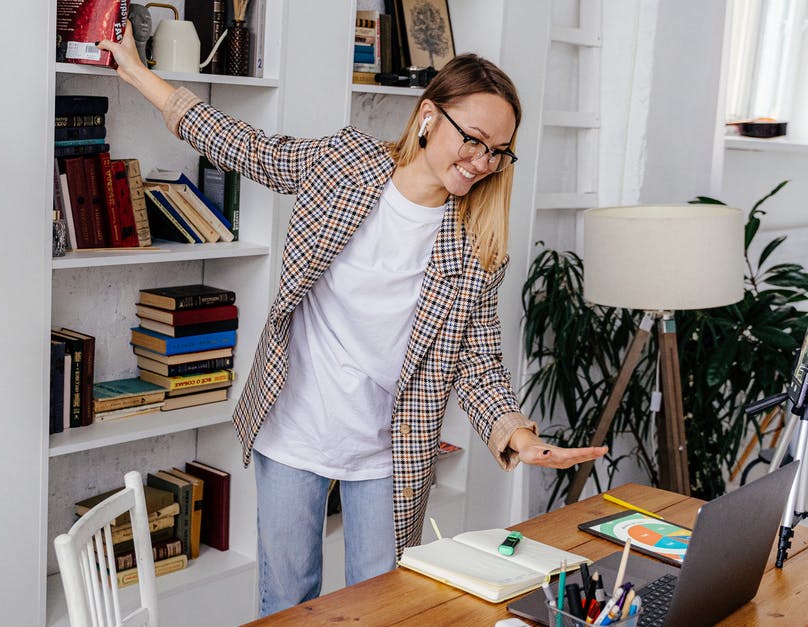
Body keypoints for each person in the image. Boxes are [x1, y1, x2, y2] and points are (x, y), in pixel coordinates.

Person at [98, 29, 607, 617]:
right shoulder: (344, 168)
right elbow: (242, 143)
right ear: (426, 118)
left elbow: (478, 361)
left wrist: (517, 432)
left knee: (385, 608)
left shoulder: (475, 243)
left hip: (390, 449)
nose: (482, 162)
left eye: (499, 151)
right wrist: (137, 72)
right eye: (473, 140)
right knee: (290, 604)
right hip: (294, 428)